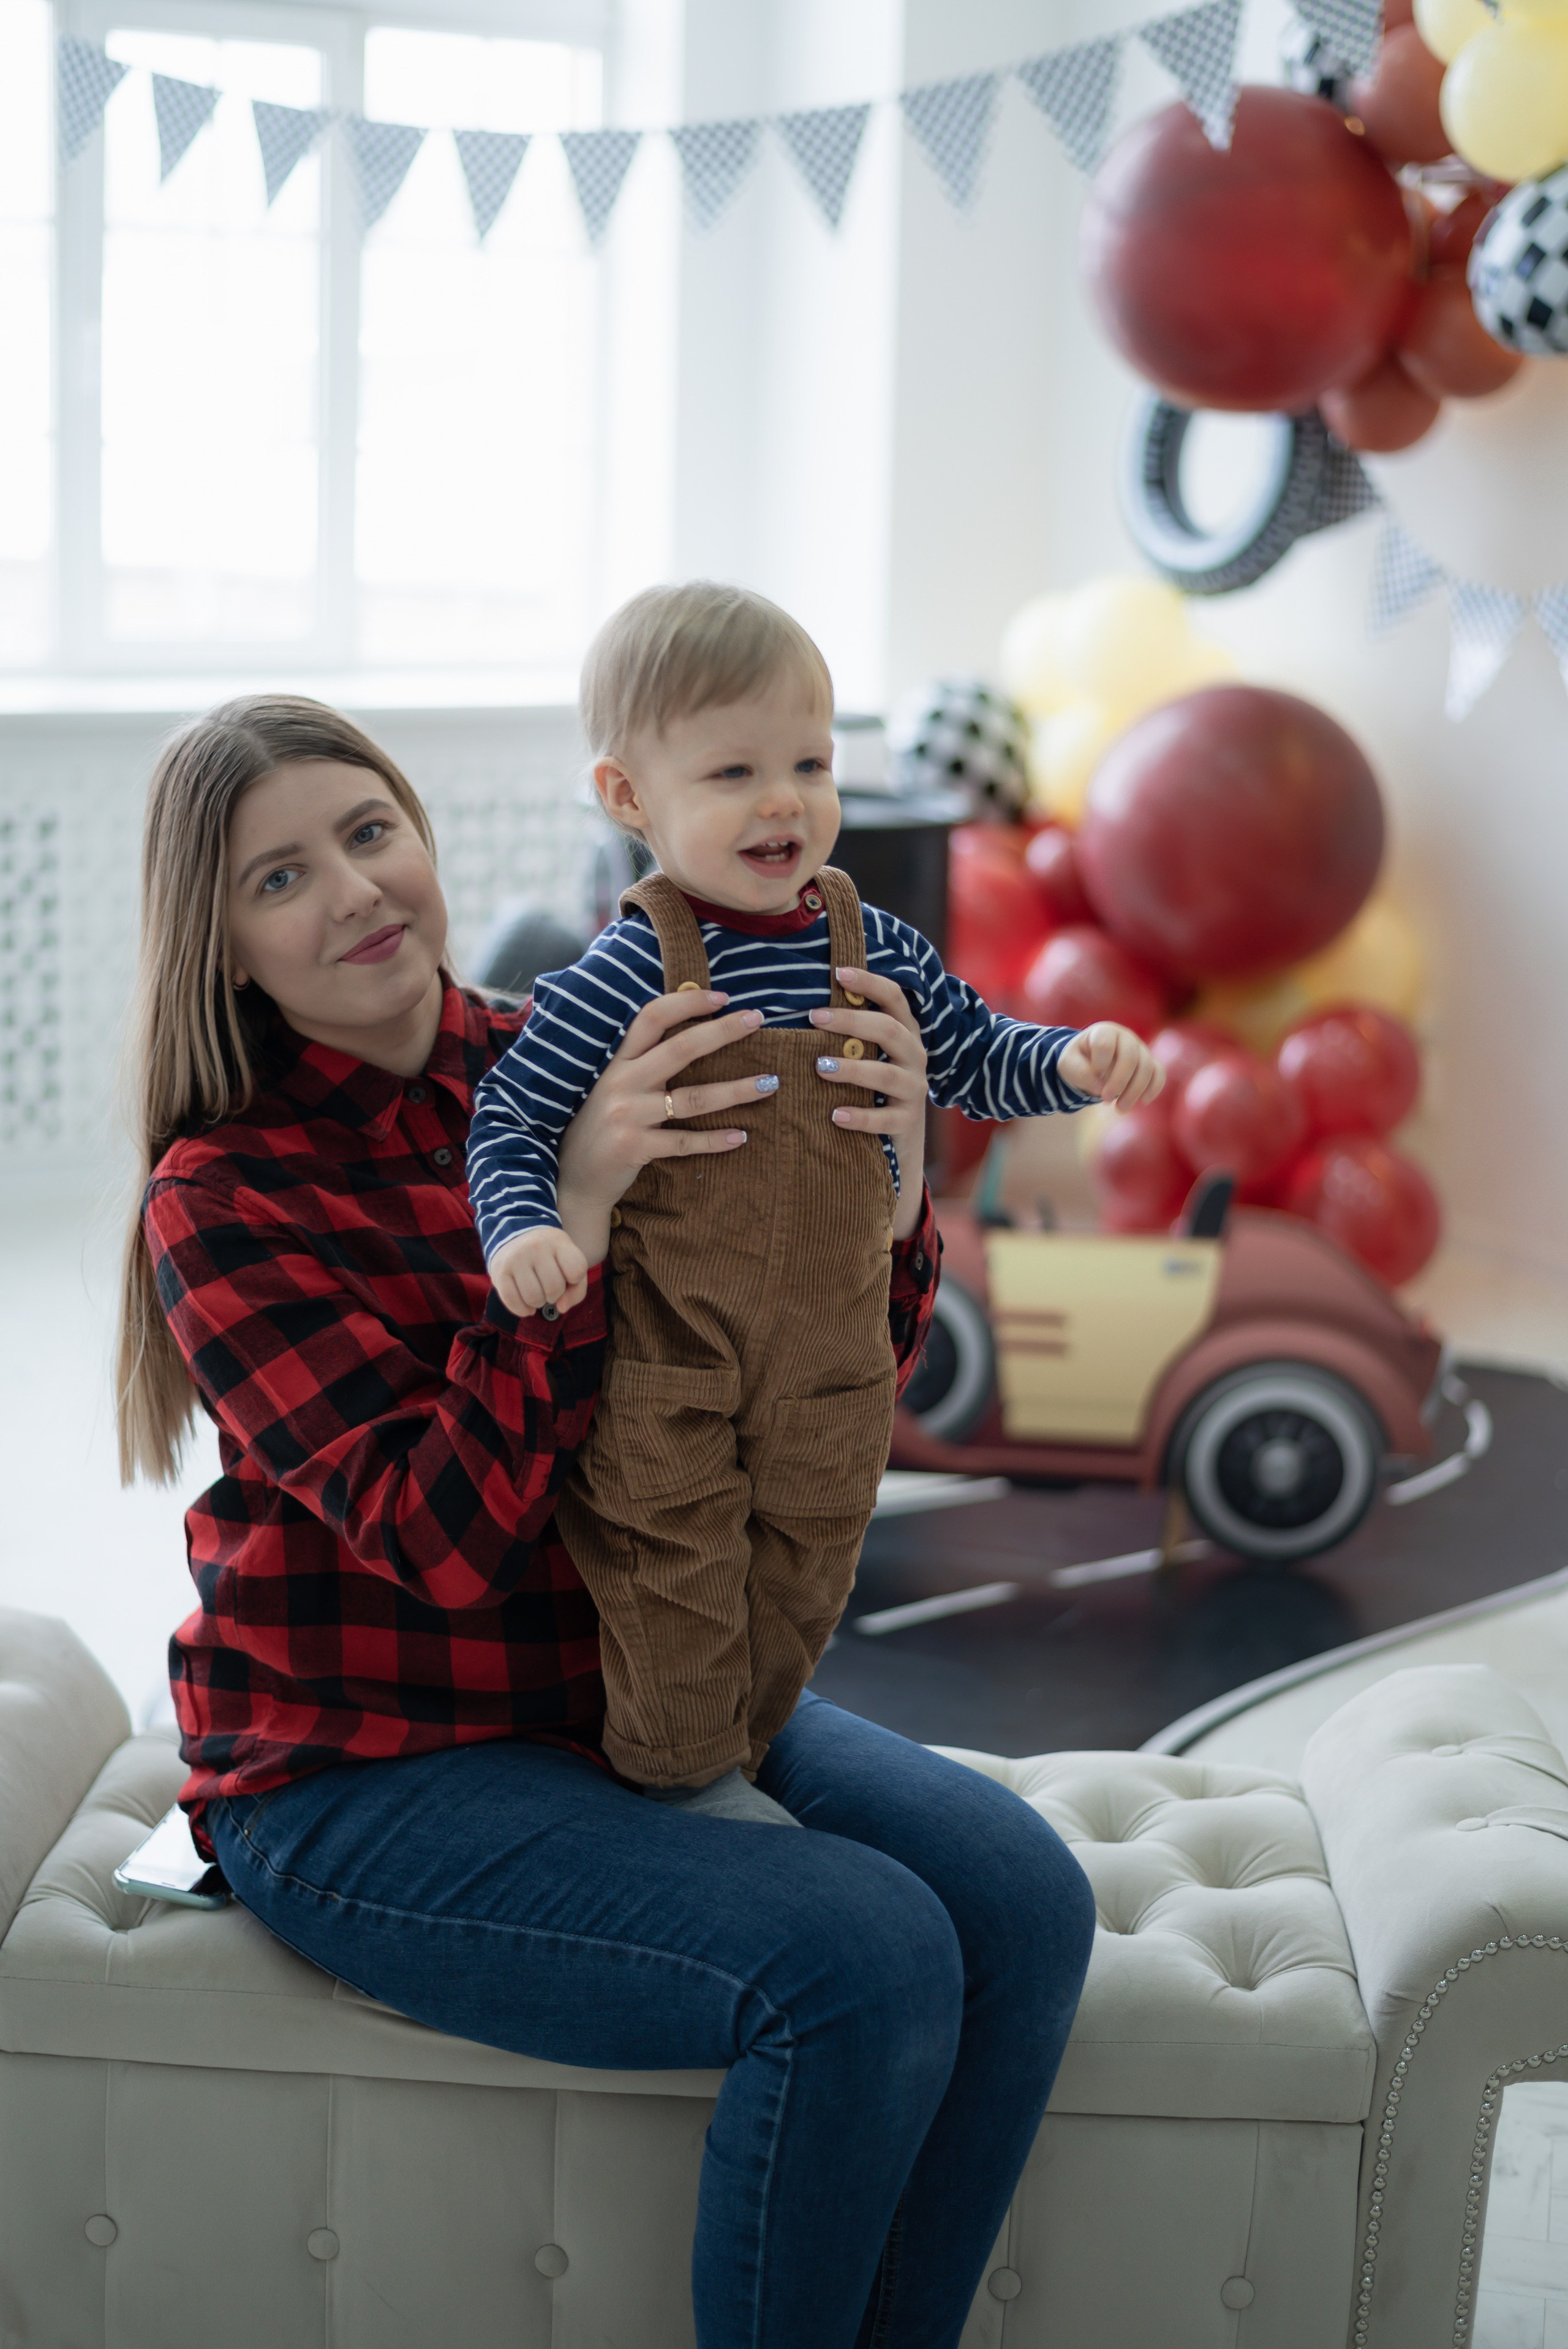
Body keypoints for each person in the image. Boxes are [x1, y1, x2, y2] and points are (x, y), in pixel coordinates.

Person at [115, 692, 1098, 2349]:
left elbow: (824, 1371)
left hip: (629, 1675)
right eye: (280, 878)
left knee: (1020, 1901)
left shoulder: (587, 1038)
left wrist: (890, 1175)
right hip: (366, 1767)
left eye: (370, 833)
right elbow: (447, 1541)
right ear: (223, 950)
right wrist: (567, 1218)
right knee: (859, 1956)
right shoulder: (222, 1199)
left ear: (424, 840)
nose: (355, 893)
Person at [467, 583, 1164, 1823]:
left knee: (802, 1579)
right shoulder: (627, 970)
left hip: (832, 1370)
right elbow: (510, 1115)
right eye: (732, 771)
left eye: (810, 761)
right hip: (670, 1369)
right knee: (669, 1579)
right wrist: (522, 1223)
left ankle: (728, 1755)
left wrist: (1066, 1062)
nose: (783, 799)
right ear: (628, 798)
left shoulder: (873, 947)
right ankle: (678, 1787)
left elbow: (969, 1050)